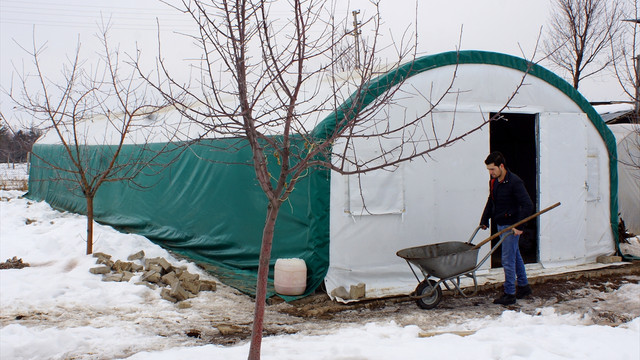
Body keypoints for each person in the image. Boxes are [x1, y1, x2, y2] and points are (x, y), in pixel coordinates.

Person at [480, 151, 534, 305]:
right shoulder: (495, 182)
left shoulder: (515, 182)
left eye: (492, 169)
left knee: (507, 260)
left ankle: (509, 294)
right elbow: (492, 201)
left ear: (501, 166)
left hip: (511, 227)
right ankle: (523, 286)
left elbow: (527, 205)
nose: (490, 173)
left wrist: (519, 226)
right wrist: (484, 219)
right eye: (489, 170)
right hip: (500, 224)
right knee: (515, 256)